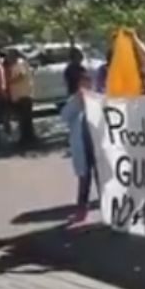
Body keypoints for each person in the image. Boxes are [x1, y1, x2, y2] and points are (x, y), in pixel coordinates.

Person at [60, 70, 97, 223]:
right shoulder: (73, 102)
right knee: (84, 180)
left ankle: (109, 208)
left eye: (88, 83)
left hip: (97, 147)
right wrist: (77, 103)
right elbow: (64, 117)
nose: (85, 86)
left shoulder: (97, 100)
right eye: (83, 83)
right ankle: (82, 209)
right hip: (82, 146)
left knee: (103, 179)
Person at [5, 49, 37, 148]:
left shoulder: (19, 63)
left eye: (9, 55)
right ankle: (28, 139)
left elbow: (21, 75)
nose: (8, 57)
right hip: (22, 94)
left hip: (23, 95)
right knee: (25, 119)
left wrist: (9, 82)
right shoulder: (21, 63)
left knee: (24, 119)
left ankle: (27, 140)